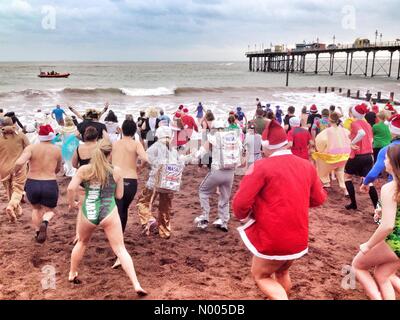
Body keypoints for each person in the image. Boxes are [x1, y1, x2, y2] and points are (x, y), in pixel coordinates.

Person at [232, 120, 326, 300]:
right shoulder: (306, 165)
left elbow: (240, 203)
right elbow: (319, 198)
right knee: (282, 272)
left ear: (266, 147)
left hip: (272, 235)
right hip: (298, 234)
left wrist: (245, 217)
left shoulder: (260, 166)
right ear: (286, 144)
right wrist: (295, 203)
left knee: (261, 275)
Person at [66, 140, 147, 296]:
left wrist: (72, 203)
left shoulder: (85, 169)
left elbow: (70, 188)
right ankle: (136, 284)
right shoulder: (116, 170)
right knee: (120, 249)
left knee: (82, 242)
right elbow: (119, 195)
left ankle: (72, 273)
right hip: (108, 211)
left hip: (89, 211)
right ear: (110, 154)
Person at [352, 144, 400, 300]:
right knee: (382, 275)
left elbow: (388, 225)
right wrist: (382, 209)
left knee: (358, 266)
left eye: (385, 158)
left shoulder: (391, 188)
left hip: (395, 241)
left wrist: (368, 245)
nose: (384, 161)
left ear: (394, 163)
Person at [13, 125, 62, 243]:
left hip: (32, 182)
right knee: (50, 210)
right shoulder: (57, 150)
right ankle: (45, 221)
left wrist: (15, 172)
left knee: (36, 208)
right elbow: (58, 169)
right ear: (51, 136)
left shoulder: (31, 148)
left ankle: (37, 232)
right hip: (49, 183)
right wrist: (51, 172)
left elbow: (20, 162)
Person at [137, 126, 188, 239]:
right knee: (165, 208)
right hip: (169, 183)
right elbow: (180, 164)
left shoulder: (155, 147)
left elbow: (145, 159)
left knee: (143, 202)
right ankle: (165, 232)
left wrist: (141, 168)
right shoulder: (173, 149)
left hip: (154, 182)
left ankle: (149, 221)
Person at [111, 120, 148, 268]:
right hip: (131, 181)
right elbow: (145, 158)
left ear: (121, 130)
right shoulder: (135, 144)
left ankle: (118, 248)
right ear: (134, 132)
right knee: (123, 211)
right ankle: (119, 244)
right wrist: (139, 167)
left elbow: (106, 160)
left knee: (117, 212)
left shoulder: (115, 144)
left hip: (116, 179)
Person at [194, 120, 243, 232]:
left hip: (217, 171)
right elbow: (241, 152)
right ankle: (223, 221)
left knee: (203, 191)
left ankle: (204, 217)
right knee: (225, 197)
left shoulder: (214, 137)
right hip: (230, 172)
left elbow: (202, 151)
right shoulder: (235, 137)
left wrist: (192, 157)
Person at [344, 104, 378, 211]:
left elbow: (361, 133)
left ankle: (353, 204)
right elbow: (370, 139)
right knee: (368, 182)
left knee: (347, 177)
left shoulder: (354, 123)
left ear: (354, 113)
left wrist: (352, 143)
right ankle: (377, 209)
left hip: (357, 156)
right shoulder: (367, 124)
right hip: (368, 156)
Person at [0, 117, 30, 221]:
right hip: (19, 167)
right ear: (13, 123)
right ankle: (11, 207)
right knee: (17, 189)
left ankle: (16, 210)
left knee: (8, 189)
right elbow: (29, 149)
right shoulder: (21, 135)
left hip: (3, 168)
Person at [312, 112, 351, 191]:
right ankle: (345, 189)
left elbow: (319, 141)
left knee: (319, 163)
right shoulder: (344, 130)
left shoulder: (327, 131)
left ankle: (326, 182)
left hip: (331, 157)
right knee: (340, 171)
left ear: (329, 120)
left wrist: (320, 150)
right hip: (344, 156)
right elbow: (350, 139)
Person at [361, 115, 400, 192]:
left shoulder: (387, 150)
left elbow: (374, 173)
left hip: (395, 187)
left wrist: (365, 183)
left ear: (392, 131)